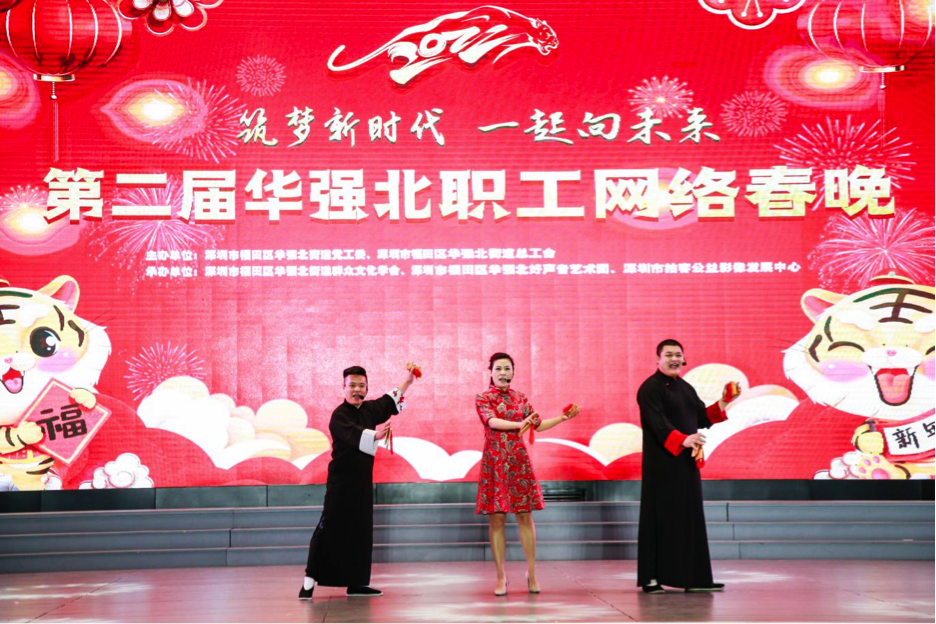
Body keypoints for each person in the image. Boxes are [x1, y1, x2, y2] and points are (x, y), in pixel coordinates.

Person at [299, 363, 419, 600]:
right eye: (352, 385)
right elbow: (354, 434)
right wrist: (376, 435)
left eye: (361, 386)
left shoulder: (370, 409)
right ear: (343, 387)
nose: (357, 390)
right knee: (328, 528)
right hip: (340, 483)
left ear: (366, 388)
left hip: (362, 482)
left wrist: (408, 380)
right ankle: (309, 580)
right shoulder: (339, 415)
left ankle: (357, 583)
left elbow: (389, 400)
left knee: (361, 531)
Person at [636, 339, 740, 593]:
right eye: (669, 354)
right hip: (662, 466)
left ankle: (693, 578)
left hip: (686, 462)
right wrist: (683, 439)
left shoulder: (685, 387)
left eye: (678, 355)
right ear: (658, 359)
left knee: (689, 518)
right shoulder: (650, 388)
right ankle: (652, 578)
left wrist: (725, 401)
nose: (674, 359)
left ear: (684, 359)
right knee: (660, 518)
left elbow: (702, 417)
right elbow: (657, 423)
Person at [475, 352, 580, 596]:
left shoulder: (520, 398)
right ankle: (501, 577)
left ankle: (532, 573)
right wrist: (520, 424)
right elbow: (492, 422)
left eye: (507, 368)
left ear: (513, 372)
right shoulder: (483, 398)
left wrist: (562, 418)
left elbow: (537, 424)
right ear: (491, 372)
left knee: (525, 517)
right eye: (498, 368)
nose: (503, 373)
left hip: (518, 463)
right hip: (495, 464)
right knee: (497, 520)